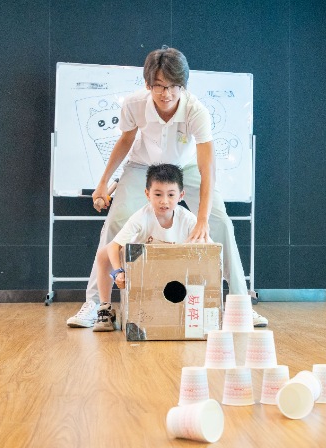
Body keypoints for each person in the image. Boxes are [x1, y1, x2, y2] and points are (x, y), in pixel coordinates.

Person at [66, 46, 268, 328]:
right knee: (114, 223)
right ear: (148, 84)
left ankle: (239, 304)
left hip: (186, 167)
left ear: (183, 85)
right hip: (142, 166)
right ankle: (97, 305)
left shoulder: (196, 111)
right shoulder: (134, 104)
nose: (167, 93)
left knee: (221, 223)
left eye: (174, 86)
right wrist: (102, 183)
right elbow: (125, 140)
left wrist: (202, 219)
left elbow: (207, 167)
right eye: (159, 86)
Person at [68, 164, 200, 331]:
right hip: (144, 269)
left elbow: (208, 250)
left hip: (174, 272)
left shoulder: (188, 219)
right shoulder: (142, 216)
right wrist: (118, 272)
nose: (164, 201)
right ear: (147, 194)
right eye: (158, 194)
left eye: (171, 195)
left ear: (181, 195)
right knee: (103, 254)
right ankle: (105, 309)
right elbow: (114, 246)